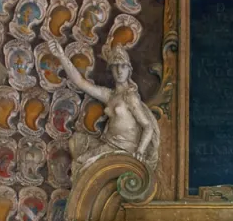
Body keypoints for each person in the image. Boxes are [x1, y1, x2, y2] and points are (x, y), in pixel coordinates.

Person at [45, 36, 159, 175]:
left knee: (81, 163)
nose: (119, 71)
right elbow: (80, 83)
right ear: (111, 70)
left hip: (124, 149)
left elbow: (147, 126)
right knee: (76, 142)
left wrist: (140, 151)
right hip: (109, 144)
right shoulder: (109, 95)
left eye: (123, 66)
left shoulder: (130, 97)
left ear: (129, 70)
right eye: (115, 66)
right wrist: (61, 56)